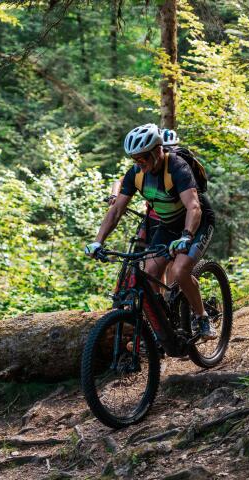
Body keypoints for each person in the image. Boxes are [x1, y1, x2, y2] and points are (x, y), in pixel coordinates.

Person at [85, 124, 217, 339]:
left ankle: (202, 317)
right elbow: (116, 210)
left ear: (157, 151)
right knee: (150, 274)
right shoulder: (136, 174)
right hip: (168, 225)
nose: (139, 163)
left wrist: (186, 236)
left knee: (180, 270)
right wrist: (98, 241)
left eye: (143, 157)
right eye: (134, 159)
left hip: (197, 222)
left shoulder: (177, 167)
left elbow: (194, 207)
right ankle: (163, 329)